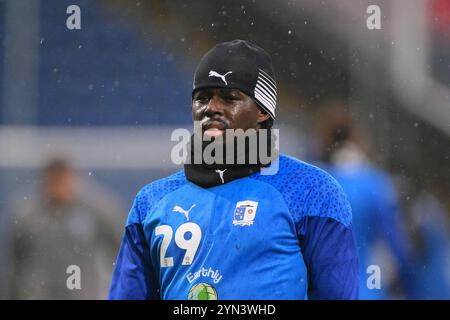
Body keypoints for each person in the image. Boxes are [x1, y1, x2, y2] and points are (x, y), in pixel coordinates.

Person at [109, 40, 359, 300]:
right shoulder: (152, 201)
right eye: (202, 98)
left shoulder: (311, 191)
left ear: (262, 111)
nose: (211, 108)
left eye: (229, 98)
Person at [310, 100, 418, 299]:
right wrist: (412, 284)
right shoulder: (375, 183)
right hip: (367, 288)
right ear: (355, 137)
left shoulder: (313, 181)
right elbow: (396, 243)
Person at [7, 158, 122, 299]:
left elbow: (121, 247)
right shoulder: (27, 214)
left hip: (82, 293)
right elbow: (15, 262)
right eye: (53, 181)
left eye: (62, 180)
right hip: (40, 293)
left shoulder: (97, 209)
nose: (58, 187)